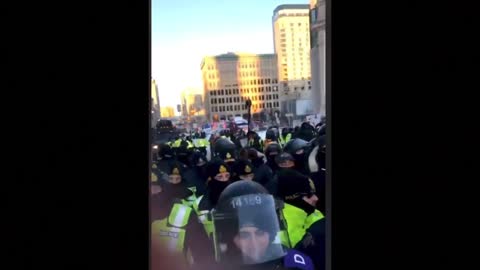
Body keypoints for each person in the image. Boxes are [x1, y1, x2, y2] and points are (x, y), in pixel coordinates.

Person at [210, 180, 315, 270]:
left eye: (260, 233)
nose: (254, 243)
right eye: (244, 235)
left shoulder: (295, 264)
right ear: (230, 237)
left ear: (271, 233)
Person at [150, 169, 215, 269]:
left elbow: (204, 257)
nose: (151, 193)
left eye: (155, 188)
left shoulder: (184, 214)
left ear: (165, 189)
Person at [276, 170, 324, 248]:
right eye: (309, 195)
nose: (316, 198)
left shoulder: (313, 211)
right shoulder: (280, 224)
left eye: (314, 194)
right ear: (293, 197)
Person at [192, 159, 233, 238]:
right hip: (210, 243)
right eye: (219, 177)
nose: (224, 180)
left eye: (227, 176)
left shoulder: (236, 197)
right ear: (210, 179)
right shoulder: (200, 203)